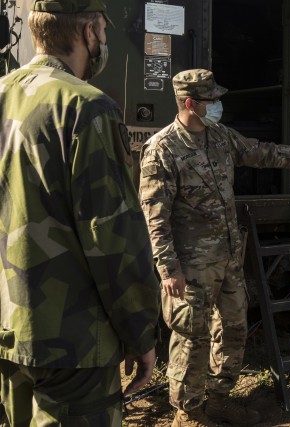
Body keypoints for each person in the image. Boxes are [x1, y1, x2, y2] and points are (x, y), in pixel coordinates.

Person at [138, 68, 290, 427]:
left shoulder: (220, 137)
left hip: (229, 260)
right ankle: (188, 414)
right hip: (192, 267)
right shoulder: (162, 149)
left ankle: (219, 400)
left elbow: (263, 153)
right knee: (192, 338)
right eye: (211, 100)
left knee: (233, 330)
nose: (217, 105)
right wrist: (168, 268)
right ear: (190, 104)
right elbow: (156, 217)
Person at [0, 0, 160, 425]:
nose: (104, 40)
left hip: (6, 331)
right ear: (89, 31)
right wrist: (141, 333)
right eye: (104, 31)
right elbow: (113, 237)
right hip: (73, 343)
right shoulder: (86, 106)